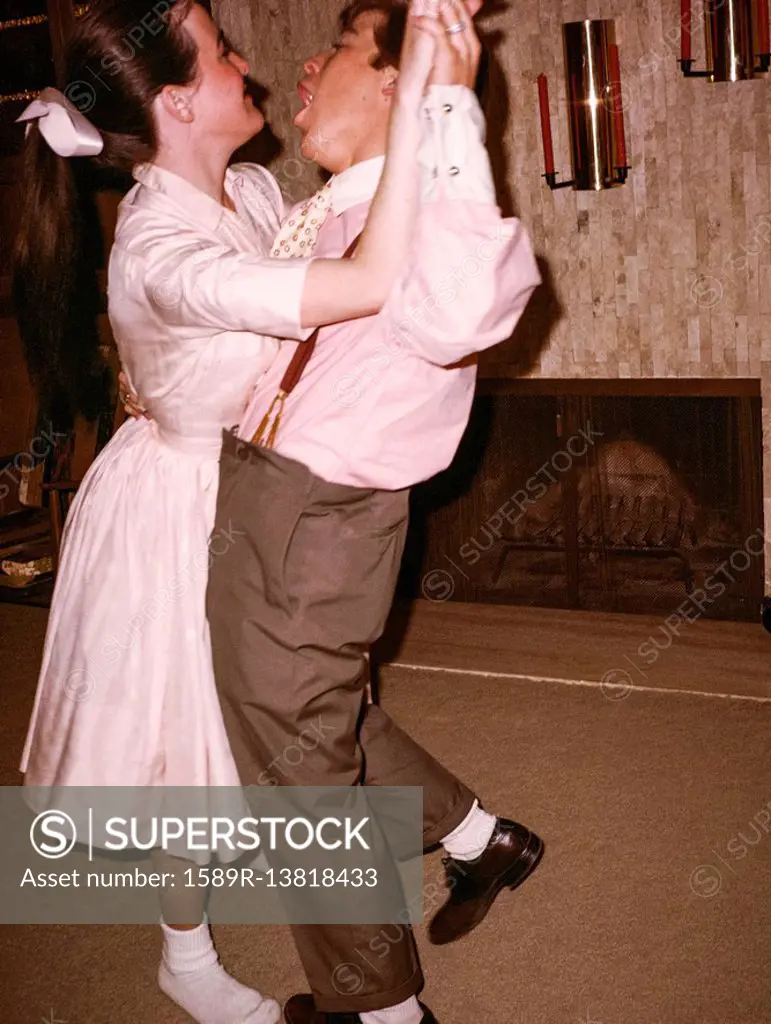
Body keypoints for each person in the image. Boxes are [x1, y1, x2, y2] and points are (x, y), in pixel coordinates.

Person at [13, 1, 470, 1022]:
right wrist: (423, 100)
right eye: (221, 53)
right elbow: (358, 281)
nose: (246, 63)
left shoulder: (260, 187)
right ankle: (199, 959)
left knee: (283, 726)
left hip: (262, 484)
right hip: (183, 507)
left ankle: (469, 842)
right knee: (194, 742)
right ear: (176, 100)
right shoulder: (154, 250)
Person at [201, 3, 544, 1022]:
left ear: (397, 85)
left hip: (314, 516)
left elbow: (462, 308)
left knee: (300, 771)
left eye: (340, 49)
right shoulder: (340, 210)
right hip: (267, 502)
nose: (302, 64)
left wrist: (446, 99)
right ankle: (486, 840)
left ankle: (384, 1010)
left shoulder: (425, 213)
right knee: (317, 719)